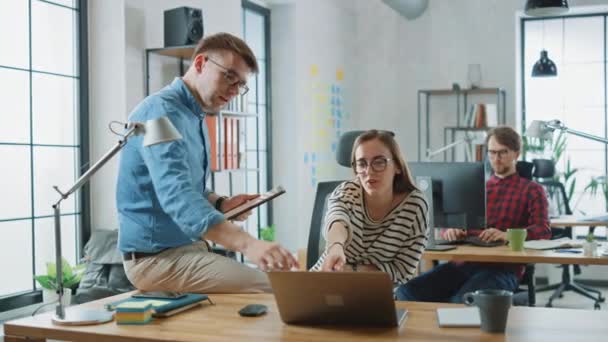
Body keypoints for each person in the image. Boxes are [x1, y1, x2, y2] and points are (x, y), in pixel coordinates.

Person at [117, 32, 297, 294]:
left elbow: (189, 187)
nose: (235, 90)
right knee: (273, 288)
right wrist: (250, 245)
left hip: (188, 249)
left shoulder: (196, 116)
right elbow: (178, 197)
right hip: (155, 260)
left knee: (279, 287)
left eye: (241, 85)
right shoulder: (157, 114)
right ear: (201, 64)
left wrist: (222, 203)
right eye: (229, 76)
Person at [396, 126, 551, 302]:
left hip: (502, 268)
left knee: (461, 301)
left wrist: (506, 235)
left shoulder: (532, 190)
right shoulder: (476, 187)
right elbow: (449, 223)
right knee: (406, 292)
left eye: (502, 153)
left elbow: (543, 231)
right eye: (492, 153)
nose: (496, 159)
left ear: (516, 153)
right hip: (463, 264)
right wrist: (451, 231)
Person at [310, 130, 429, 286]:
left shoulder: (415, 206)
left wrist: (351, 271)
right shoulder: (347, 191)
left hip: (376, 293)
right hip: (326, 281)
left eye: (379, 162)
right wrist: (336, 246)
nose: (369, 171)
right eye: (361, 163)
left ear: (398, 166)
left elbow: (402, 271)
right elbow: (337, 219)